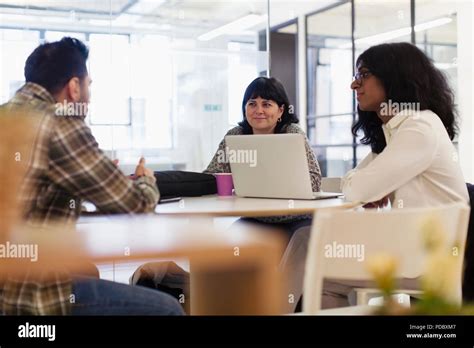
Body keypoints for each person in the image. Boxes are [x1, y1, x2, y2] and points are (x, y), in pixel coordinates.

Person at [0, 37, 184, 315]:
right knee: (168, 309)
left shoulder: (7, 116)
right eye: (89, 85)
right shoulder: (59, 122)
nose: (89, 94)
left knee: (88, 270)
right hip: (27, 296)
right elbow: (136, 206)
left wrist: (84, 182)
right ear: (74, 87)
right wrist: (146, 180)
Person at [324, 42, 468, 308]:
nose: (354, 85)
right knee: (313, 248)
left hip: (427, 262)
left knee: (323, 273)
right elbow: (357, 182)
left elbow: (356, 189)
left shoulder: (419, 127)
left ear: (394, 77)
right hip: (413, 250)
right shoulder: (396, 131)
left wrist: (372, 187)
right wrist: (370, 186)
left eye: (364, 74)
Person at [204, 77, 322, 312]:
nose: (258, 110)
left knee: (289, 261)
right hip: (254, 220)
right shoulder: (236, 136)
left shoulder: (292, 132)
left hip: (295, 221)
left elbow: (314, 181)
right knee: (216, 260)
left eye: (266, 104)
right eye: (252, 103)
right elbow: (212, 176)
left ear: (280, 110)